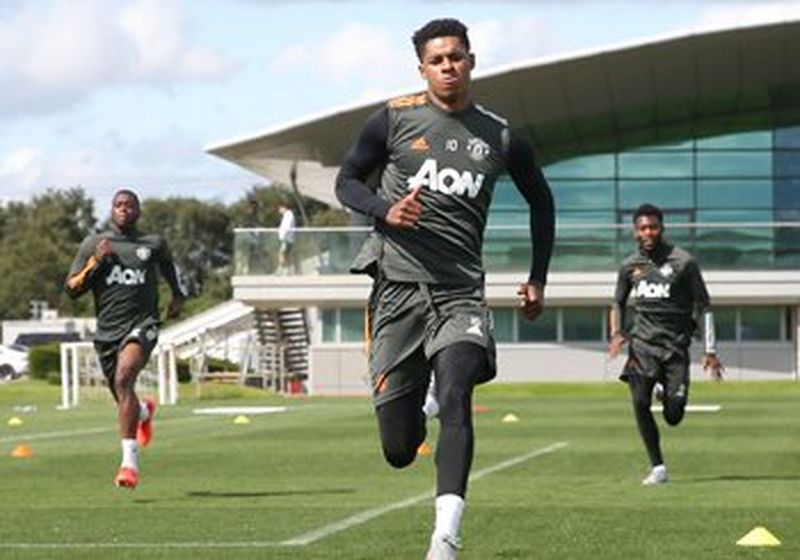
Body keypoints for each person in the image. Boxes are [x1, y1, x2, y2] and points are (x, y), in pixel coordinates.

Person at [335, 18, 555, 559]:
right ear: (422, 68)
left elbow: (542, 201)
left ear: (471, 61)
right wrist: (387, 209)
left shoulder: (500, 136)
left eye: (456, 56)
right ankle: (417, 406)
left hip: (460, 294)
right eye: (437, 60)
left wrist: (537, 279)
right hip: (396, 293)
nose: (448, 66)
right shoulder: (392, 120)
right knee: (398, 449)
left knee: (458, 391)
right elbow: (346, 183)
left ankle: (445, 538)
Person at [65, 189, 185, 490]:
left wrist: (178, 296)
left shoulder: (153, 244)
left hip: (143, 323)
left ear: (138, 211)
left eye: (129, 206)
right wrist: (95, 261)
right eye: (118, 205)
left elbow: (169, 267)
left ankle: (128, 465)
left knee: (124, 377)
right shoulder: (94, 244)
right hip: (108, 330)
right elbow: (72, 288)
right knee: (122, 392)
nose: (123, 210)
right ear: (111, 210)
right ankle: (144, 412)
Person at [608, 203, 724, 486]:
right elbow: (617, 302)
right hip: (642, 346)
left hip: (674, 349)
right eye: (643, 228)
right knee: (638, 401)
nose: (648, 232)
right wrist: (617, 333)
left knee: (674, 415)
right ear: (635, 232)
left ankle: (665, 389)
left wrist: (710, 350)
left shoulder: (684, 262)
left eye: (653, 227)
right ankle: (658, 467)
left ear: (662, 229)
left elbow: (705, 306)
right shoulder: (630, 266)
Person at [277, 202, 296, 273]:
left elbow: (287, 226)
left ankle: (282, 268)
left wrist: (283, 235)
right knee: (286, 254)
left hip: (287, 239)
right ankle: (288, 270)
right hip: (288, 238)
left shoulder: (288, 214)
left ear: (284, 207)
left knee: (281, 253)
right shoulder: (287, 215)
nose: (279, 211)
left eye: (280, 208)